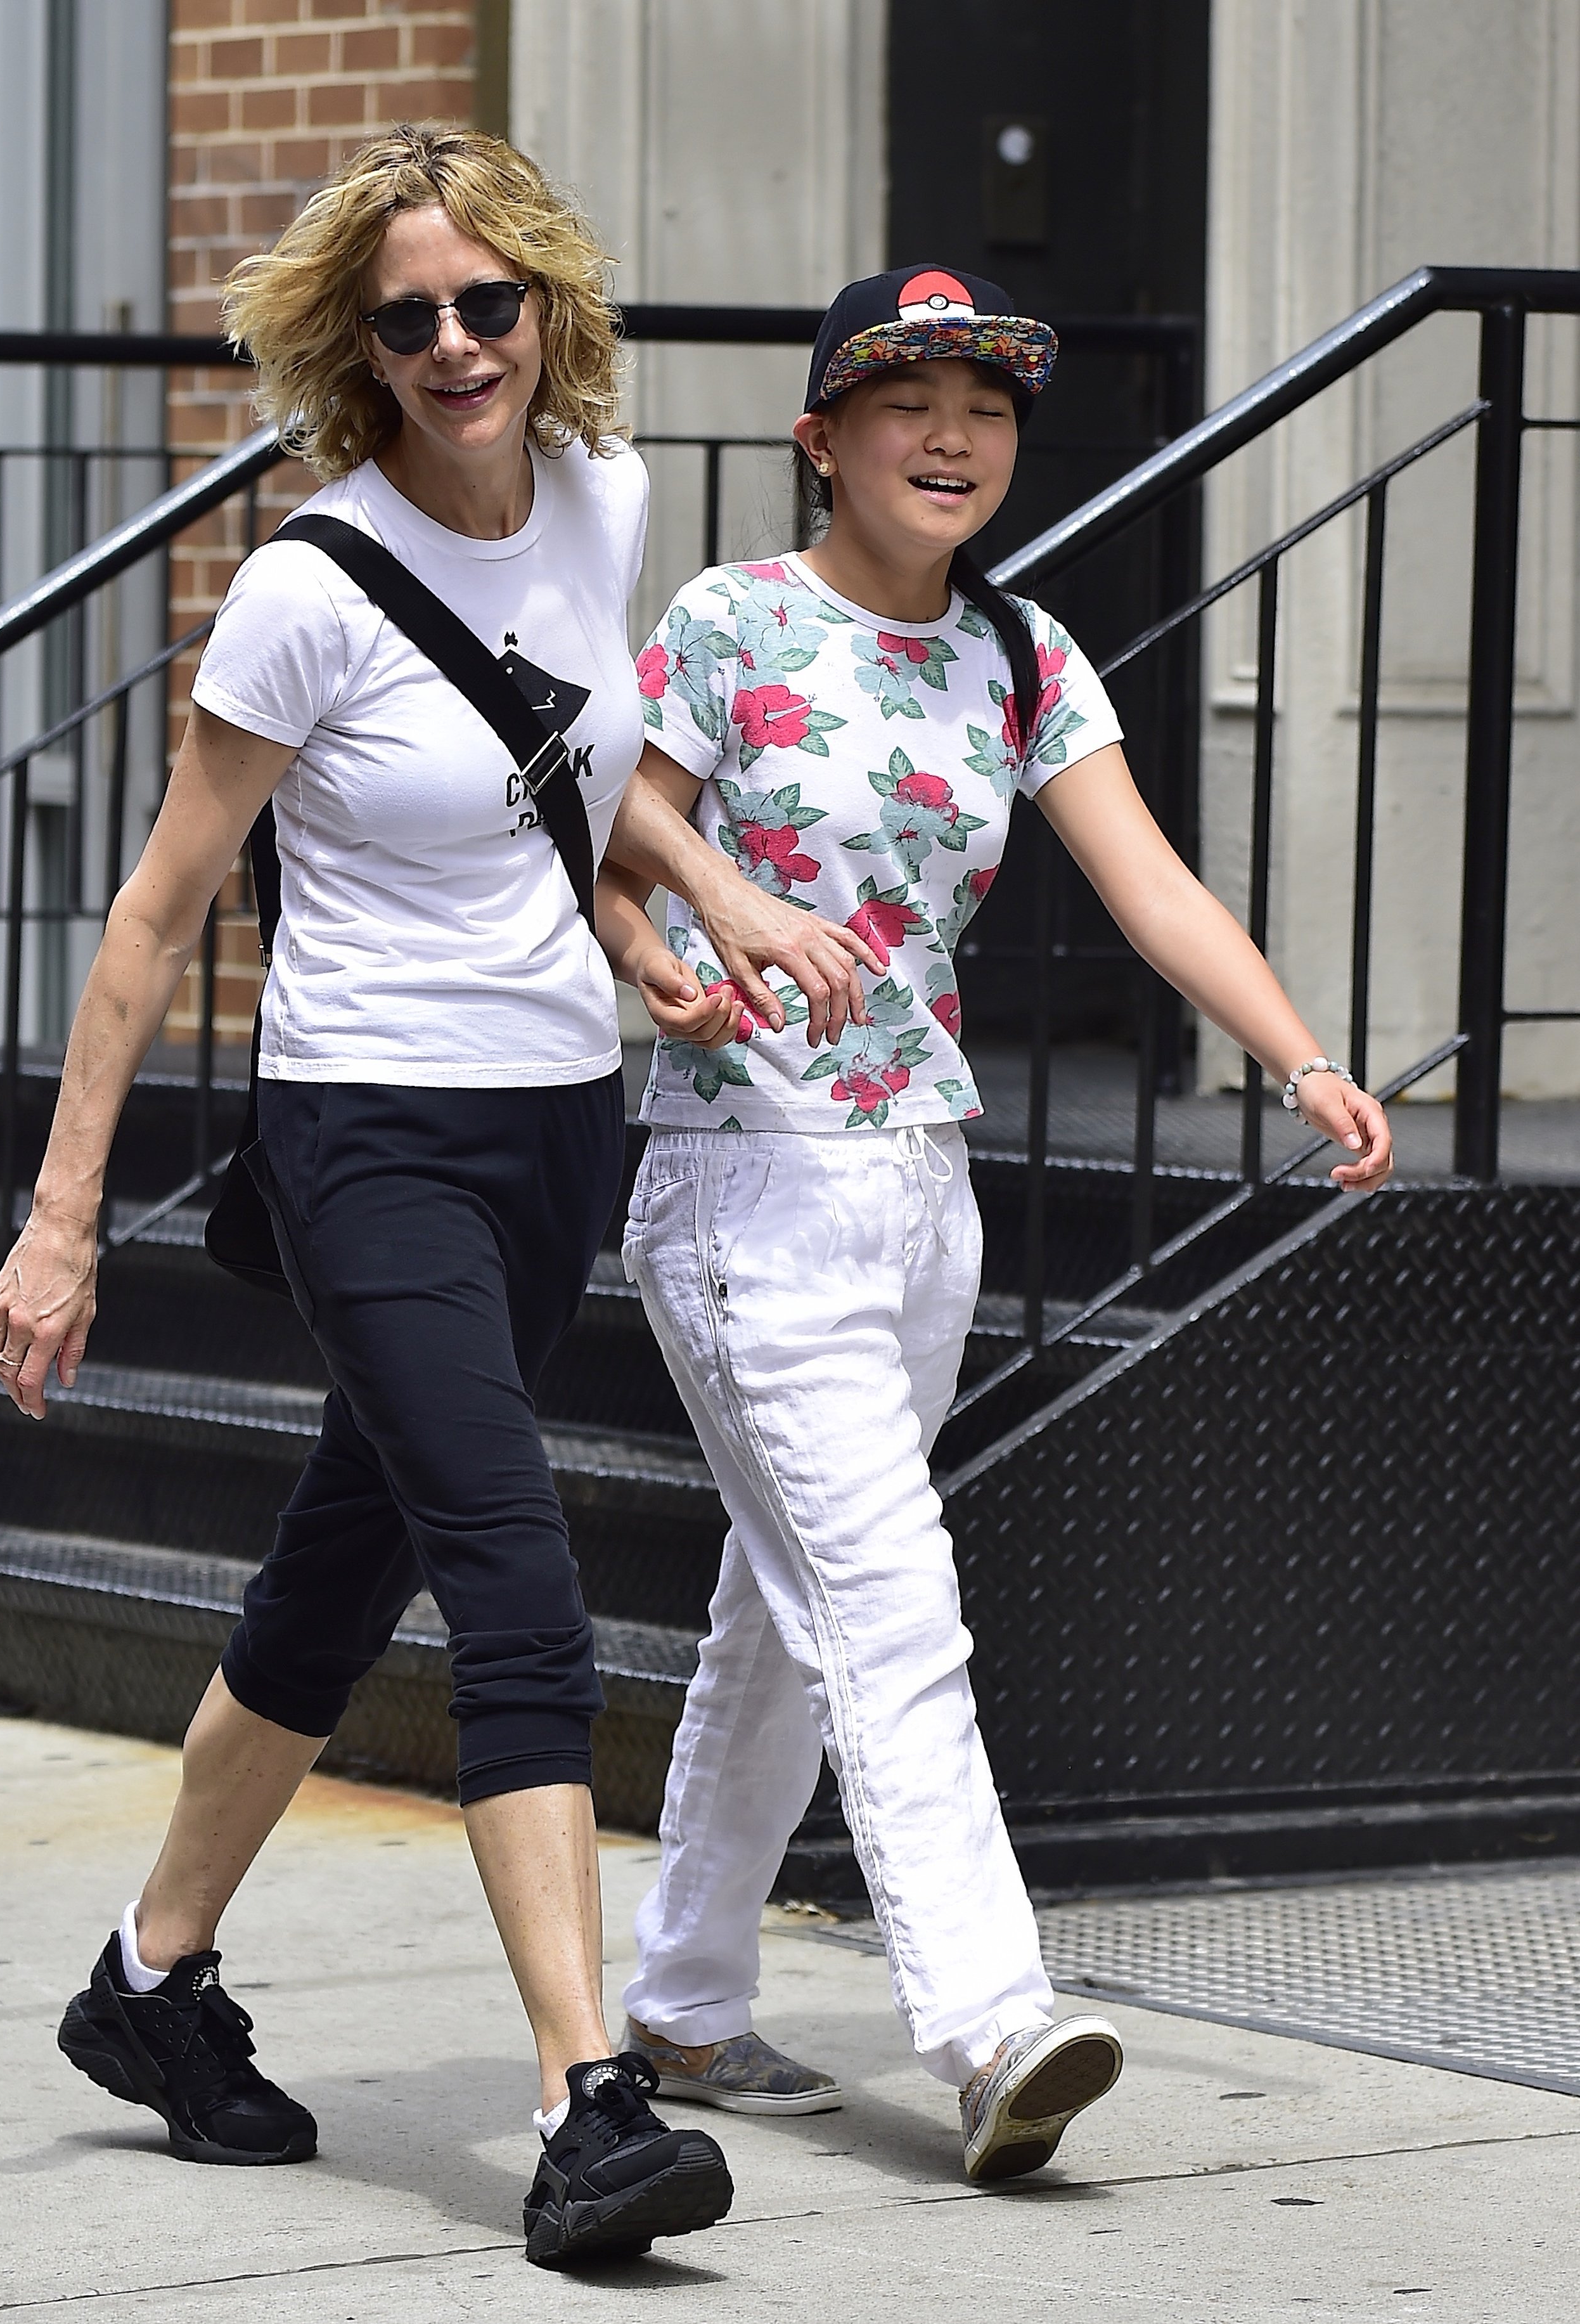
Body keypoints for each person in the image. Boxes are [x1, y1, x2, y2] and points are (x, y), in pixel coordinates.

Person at [0, 124, 735, 2269]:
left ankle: (146, 1985)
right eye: (406, 318)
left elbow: (558, 792)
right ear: (357, 345)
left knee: (341, 1567)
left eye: (487, 303)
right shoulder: (305, 588)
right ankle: (594, 2107)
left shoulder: (609, 500)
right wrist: (62, 1214)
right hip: (367, 1136)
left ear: (546, 308)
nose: (454, 345)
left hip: (556, 1123)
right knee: (512, 1567)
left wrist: (682, 909)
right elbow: (150, 919)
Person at [596, 264, 1395, 2181]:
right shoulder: (730, 619)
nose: (953, 435)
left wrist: (1299, 1059)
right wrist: (658, 965)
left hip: (919, 1195)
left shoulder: (1021, 657)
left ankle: (688, 2004)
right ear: (823, 438)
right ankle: (990, 2018)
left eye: (989, 406)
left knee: (786, 1617)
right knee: (886, 1595)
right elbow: (616, 823)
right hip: (742, 1179)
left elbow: (1154, 885)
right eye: (905, 400)